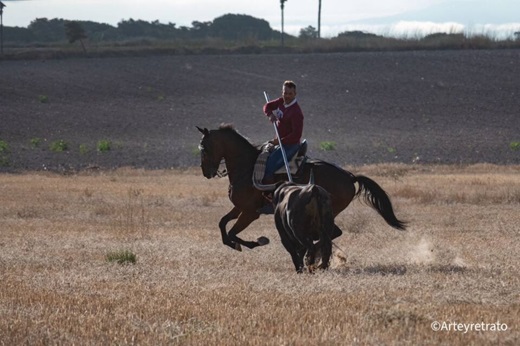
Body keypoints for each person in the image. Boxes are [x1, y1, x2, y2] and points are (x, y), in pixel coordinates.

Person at [262, 80, 304, 185]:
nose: (287, 96)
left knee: (269, 166)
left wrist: (280, 141)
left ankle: (270, 192)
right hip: (280, 142)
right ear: (282, 92)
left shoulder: (296, 112)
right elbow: (267, 106)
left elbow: (296, 135)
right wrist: (270, 115)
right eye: (285, 93)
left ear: (295, 94)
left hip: (290, 145)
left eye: (290, 94)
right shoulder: (281, 102)